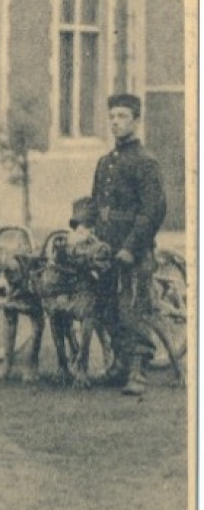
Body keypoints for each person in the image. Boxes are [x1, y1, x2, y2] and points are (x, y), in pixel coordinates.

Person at [87, 93, 168, 396]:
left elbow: (153, 211)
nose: (115, 122)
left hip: (132, 250)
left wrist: (131, 248)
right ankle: (120, 364)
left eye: (122, 116)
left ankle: (138, 370)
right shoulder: (106, 162)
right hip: (104, 249)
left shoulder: (145, 162)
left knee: (132, 309)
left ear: (136, 120)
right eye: (111, 117)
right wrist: (82, 224)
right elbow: (95, 203)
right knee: (106, 307)